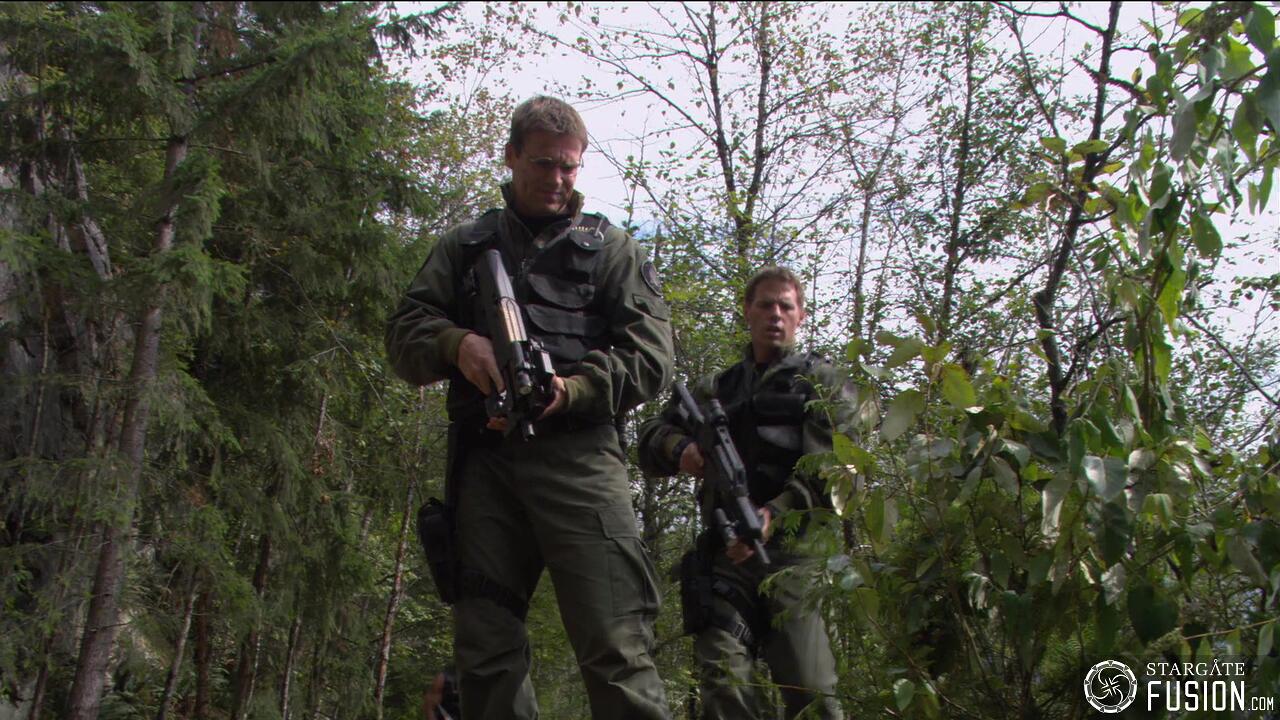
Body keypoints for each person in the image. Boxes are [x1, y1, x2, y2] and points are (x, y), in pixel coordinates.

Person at [386, 96, 674, 719]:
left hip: (581, 463)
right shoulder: (464, 247)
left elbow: (651, 359)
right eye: (544, 164)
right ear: (512, 156)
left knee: (617, 645)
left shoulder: (613, 251)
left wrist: (571, 391)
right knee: (487, 652)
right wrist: (457, 344)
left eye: (570, 167)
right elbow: (403, 337)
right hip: (486, 467)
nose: (558, 179)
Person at [638, 267, 856, 719]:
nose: (775, 314)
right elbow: (650, 437)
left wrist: (775, 513)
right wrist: (681, 450)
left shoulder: (824, 384)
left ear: (800, 315)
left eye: (785, 306)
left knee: (811, 693)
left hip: (796, 559)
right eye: (765, 304)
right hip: (727, 562)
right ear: (747, 312)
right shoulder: (716, 389)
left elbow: (835, 471)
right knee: (724, 682)